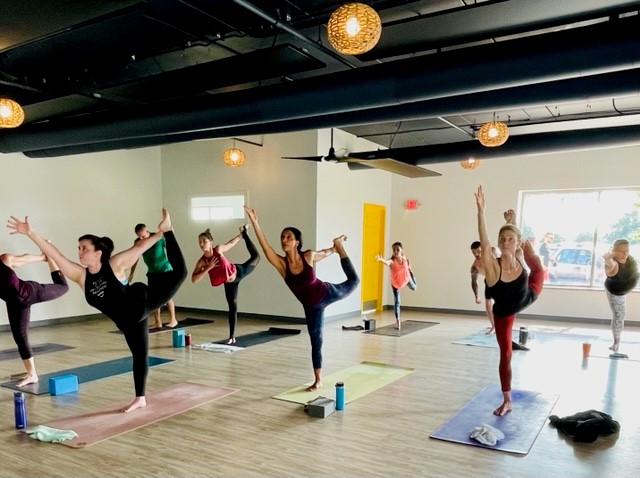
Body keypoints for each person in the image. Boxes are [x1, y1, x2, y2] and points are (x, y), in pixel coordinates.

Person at [7, 208, 187, 413]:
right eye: (79, 248)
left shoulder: (114, 264)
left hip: (140, 304)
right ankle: (140, 399)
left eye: (84, 248)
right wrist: (30, 233)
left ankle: (169, 229)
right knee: (139, 355)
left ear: (98, 253)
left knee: (180, 273)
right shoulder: (81, 276)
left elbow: (140, 247)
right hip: (127, 322)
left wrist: (161, 233)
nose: (80, 251)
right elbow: (55, 254)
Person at [244, 206, 359, 392]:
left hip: (327, 292)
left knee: (354, 281)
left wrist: (334, 248)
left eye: (289, 237)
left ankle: (341, 246)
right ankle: (318, 379)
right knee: (316, 339)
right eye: (282, 237)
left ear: (296, 242)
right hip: (312, 307)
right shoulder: (282, 265)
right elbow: (266, 247)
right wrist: (255, 222)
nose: (284, 240)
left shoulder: (308, 256)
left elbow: (324, 253)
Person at [475, 186, 544, 416]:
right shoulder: (493, 267)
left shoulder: (520, 253)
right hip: (504, 312)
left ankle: (513, 224)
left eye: (510, 240)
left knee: (538, 267)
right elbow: (485, 242)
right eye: (502, 240)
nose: (505, 243)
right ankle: (507, 400)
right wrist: (481, 211)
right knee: (506, 354)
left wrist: (512, 222)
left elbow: (517, 240)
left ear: (517, 242)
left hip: (527, 296)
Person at [1, 249, 69, 387]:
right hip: (15, 303)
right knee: (20, 337)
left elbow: (25, 259)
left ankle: (51, 257)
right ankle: (31, 374)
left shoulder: (4, 259)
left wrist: (44, 257)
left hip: (31, 292)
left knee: (63, 287)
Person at [191, 225, 260, 345]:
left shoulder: (218, 249)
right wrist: (208, 268)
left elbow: (230, 244)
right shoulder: (202, 261)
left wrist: (240, 236)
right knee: (232, 307)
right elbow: (194, 279)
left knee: (256, 257)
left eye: (204, 241)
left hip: (238, 271)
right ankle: (232, 337)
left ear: (211, 242)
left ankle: (245, 234)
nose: (201, 244)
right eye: (200, 242)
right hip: (229, 283)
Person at [128, 223, 178, 330]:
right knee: (154, 298)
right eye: (139, 236)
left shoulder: (158, 238)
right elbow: (135, 258)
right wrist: (132, 273)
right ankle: (158, 322)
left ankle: (173, 320)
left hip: (165, 270)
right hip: (152, 273)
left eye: (143, 236)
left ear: (147, 231)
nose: (141, 238)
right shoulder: (138, 243)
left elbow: (171, 247)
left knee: (167, 296)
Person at [603, 239, 639, 353]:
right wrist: (607, 258)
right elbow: (610, 264)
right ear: (614, 251)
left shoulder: (630, 259)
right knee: (619, 316)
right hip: (615, 292)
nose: (625, 254)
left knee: (621, 315)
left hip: (622, 290)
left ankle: (616, 342)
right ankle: (616, 343)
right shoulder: (613, 264)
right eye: (622, 251)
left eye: (627, 250)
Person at [375, 242, 416, 330]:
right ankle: (398, 321)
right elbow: (387, 262)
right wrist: (381, 259)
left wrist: (408, 267)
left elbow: (405, 258)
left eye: (398, 249)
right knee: (397, 302)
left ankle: (411, 271)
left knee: (414, 288)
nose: (396, 251)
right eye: (394, 250)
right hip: (396, 284)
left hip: (407, 279)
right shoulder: (392, 261)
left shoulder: (404, 257)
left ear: (401, 250)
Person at [470, 241, 495, 334]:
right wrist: (476, 296)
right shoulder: (475, 266)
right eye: (474, 252)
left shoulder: (492, 252)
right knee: (488, 304)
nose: (476, 254)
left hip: (500, 279)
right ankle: (494, 325)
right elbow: (474, 282)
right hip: (489, 280)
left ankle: (501, 324)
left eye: (478, 251)